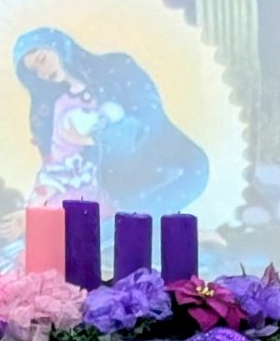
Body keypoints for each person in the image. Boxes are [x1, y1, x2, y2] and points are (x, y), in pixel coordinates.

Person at [13, 27, 209, 219]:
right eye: (35, 71)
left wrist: (93, 139)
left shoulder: (117, 66)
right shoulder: (61, 106)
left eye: (42, 59)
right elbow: (62, 161)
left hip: (173, 167)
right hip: (122, 194)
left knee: (130, 227)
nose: (43, 71)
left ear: (58, 46)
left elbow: (149, 117)